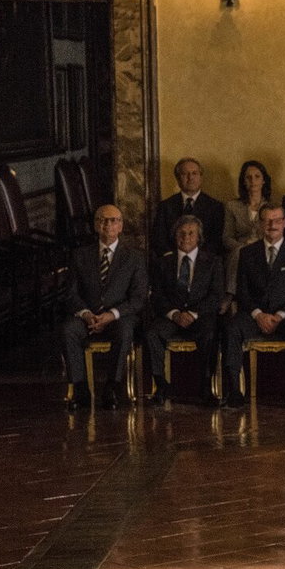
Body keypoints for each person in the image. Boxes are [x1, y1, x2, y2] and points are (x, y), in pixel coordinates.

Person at [222, 204, 285, 409]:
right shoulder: (247, 253)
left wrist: (279, 315)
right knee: (232, 328)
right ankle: (234, 392)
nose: (273, 225)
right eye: (267, 220)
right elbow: (242, 291)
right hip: (255, 315)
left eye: (277, 220)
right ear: (260, 224)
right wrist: (258, 315)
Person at [62, 204, 148, 410]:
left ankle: (112, 387)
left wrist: (112, 314)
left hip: (119, 316)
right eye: (102, 220)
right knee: (68, 330)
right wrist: (86, 314)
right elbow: (70, 293)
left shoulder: (134, 257)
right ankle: (80, 388)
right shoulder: (80, 255)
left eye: (113, 220)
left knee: (125, 331)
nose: (108, 225)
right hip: (87, 316)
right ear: (95, 225)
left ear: (121, 226)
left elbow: (138, 298)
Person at [145, 214, 224, 407]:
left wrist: (193, 314)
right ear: (175, 236)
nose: (186, 237)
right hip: (172, 316)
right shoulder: (163, 263)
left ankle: (206, 387)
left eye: (191, 233)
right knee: (152, 333)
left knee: (210, 334)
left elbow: (216, 295)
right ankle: (161, 385)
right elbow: (157, 295)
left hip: (200, 316)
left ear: (199, 237)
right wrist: (174, 314)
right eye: (181, 233)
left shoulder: (213, 262)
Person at [151, 157, 226, 260]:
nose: (190, 177)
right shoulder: (165, 206)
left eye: (194, 173)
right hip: (172, 262)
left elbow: (216, 240)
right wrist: (174, 258)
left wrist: (196, 258)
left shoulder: (215, 207)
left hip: (204, 262)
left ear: (201, 177)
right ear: (178, 179)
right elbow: (159, 239)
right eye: (185, 174)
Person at [222, 160, 272, 308]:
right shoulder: (232, 206)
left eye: (257, 176)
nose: (253, 181)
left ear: (264, 180)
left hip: (264, 248)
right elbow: (227, 238)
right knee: (240, 252)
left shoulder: (272, 206)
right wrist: (243, 246)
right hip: (239, 250)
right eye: (248, 177)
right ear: (243, 181)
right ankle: (230, 294)